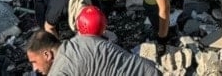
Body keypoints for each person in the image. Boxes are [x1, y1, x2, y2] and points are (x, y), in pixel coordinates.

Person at [25, 30, 158, 76]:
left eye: (34, 62)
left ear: (47, 55)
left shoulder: (60, 71)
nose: (34, 68)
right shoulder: (83, 38)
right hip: (151, 70)